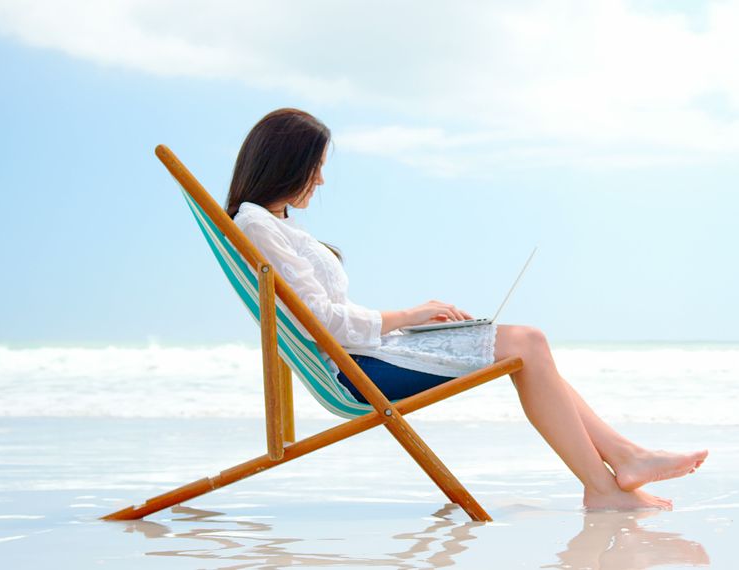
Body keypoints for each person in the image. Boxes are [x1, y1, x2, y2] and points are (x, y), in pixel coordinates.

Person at [226, 108, 708, 511]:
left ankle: (621, 463)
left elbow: (322, 315)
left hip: (367, 355)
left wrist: (407, 325)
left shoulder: (271, 224)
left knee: (527, 345)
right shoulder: (257, 226)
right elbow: (320, 322)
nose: (321, 179)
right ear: (286, 163)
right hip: (356, 371)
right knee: (527, 341)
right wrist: (409, 316)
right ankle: (608, 481)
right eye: (316, 166)